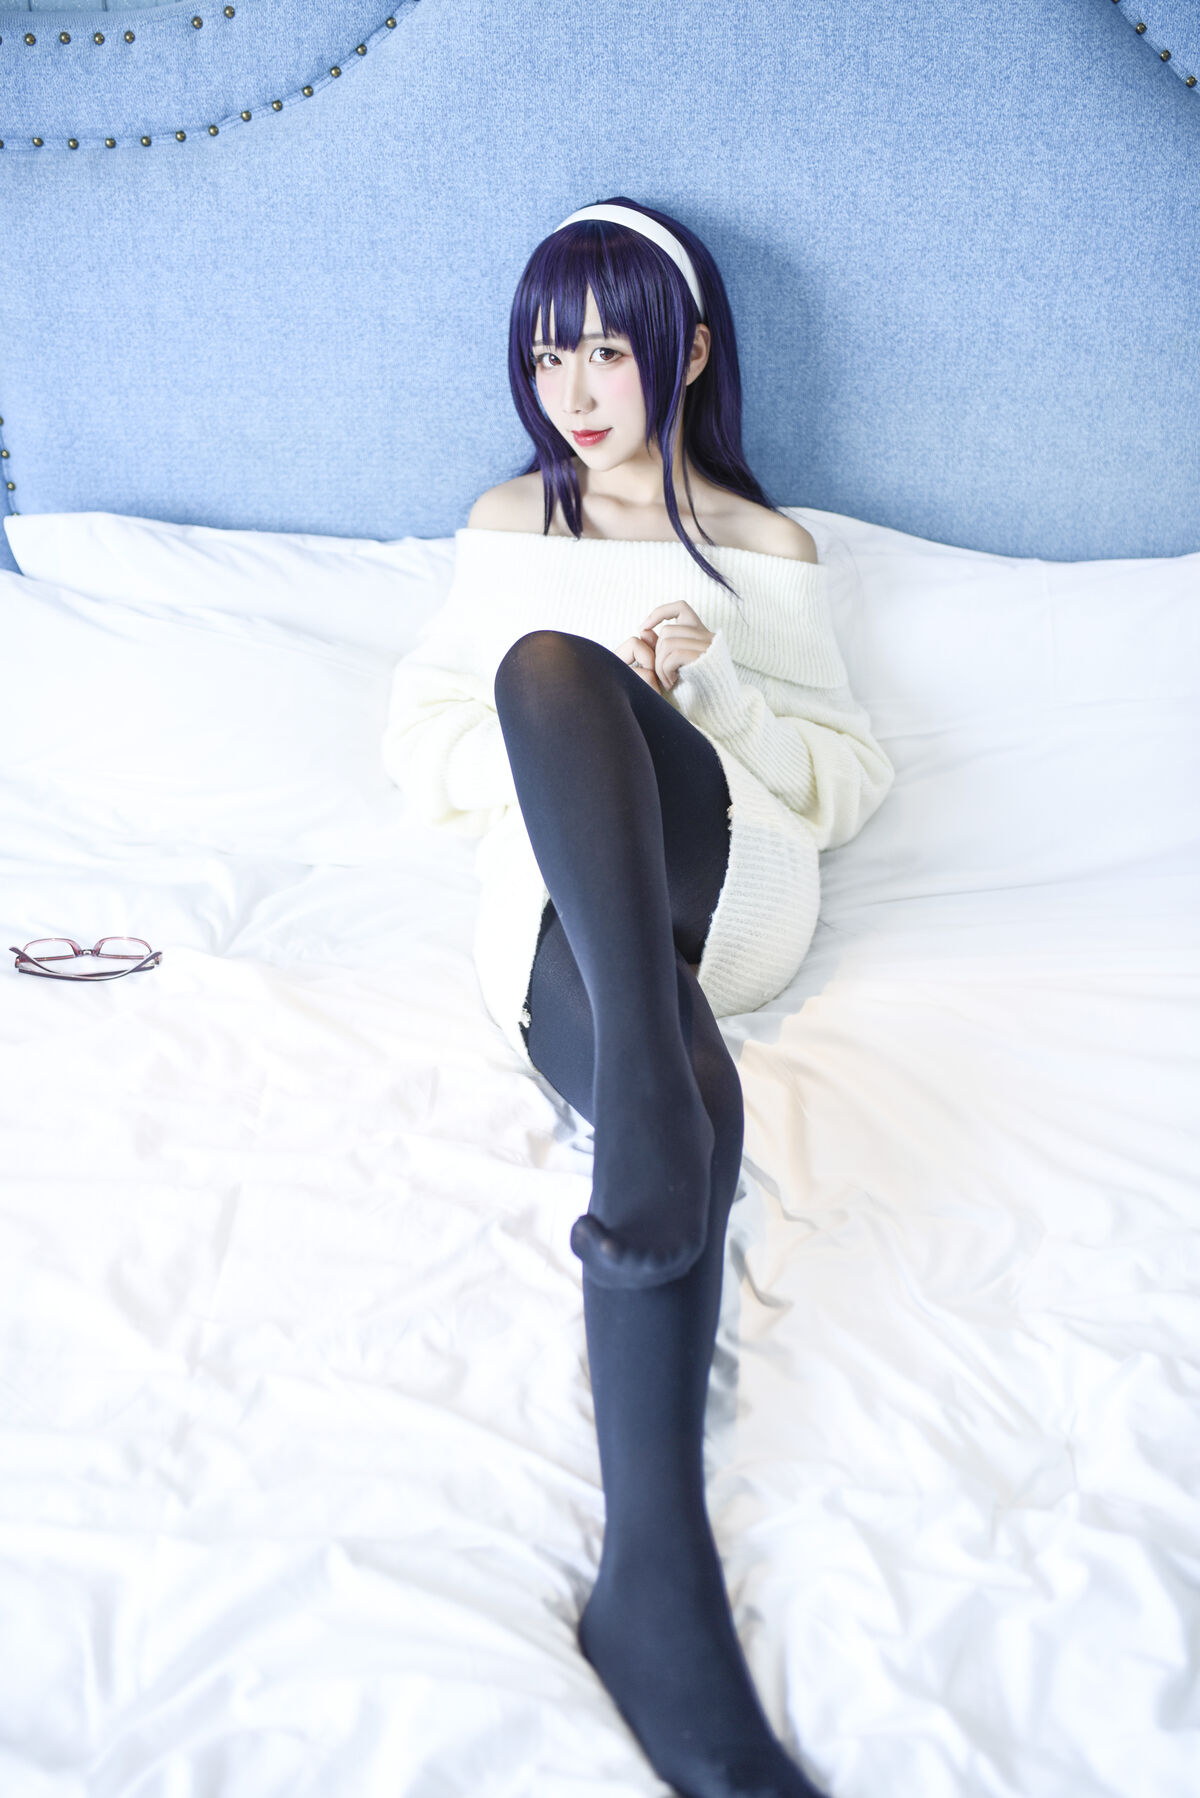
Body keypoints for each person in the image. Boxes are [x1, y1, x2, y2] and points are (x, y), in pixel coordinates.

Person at [383, 198, 894, 1798]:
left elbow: (845, 781)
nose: (577, 391)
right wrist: (568, 744)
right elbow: (423, 754)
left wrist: (706, 688)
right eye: (549, 356)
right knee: (544, 676)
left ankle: (649, 1107)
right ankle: (655, 1595)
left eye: (608, 349)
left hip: (725, 884)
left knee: (562, 671)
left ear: (690, 350)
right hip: (556, 915)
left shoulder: (763, 547)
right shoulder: (504, 523)